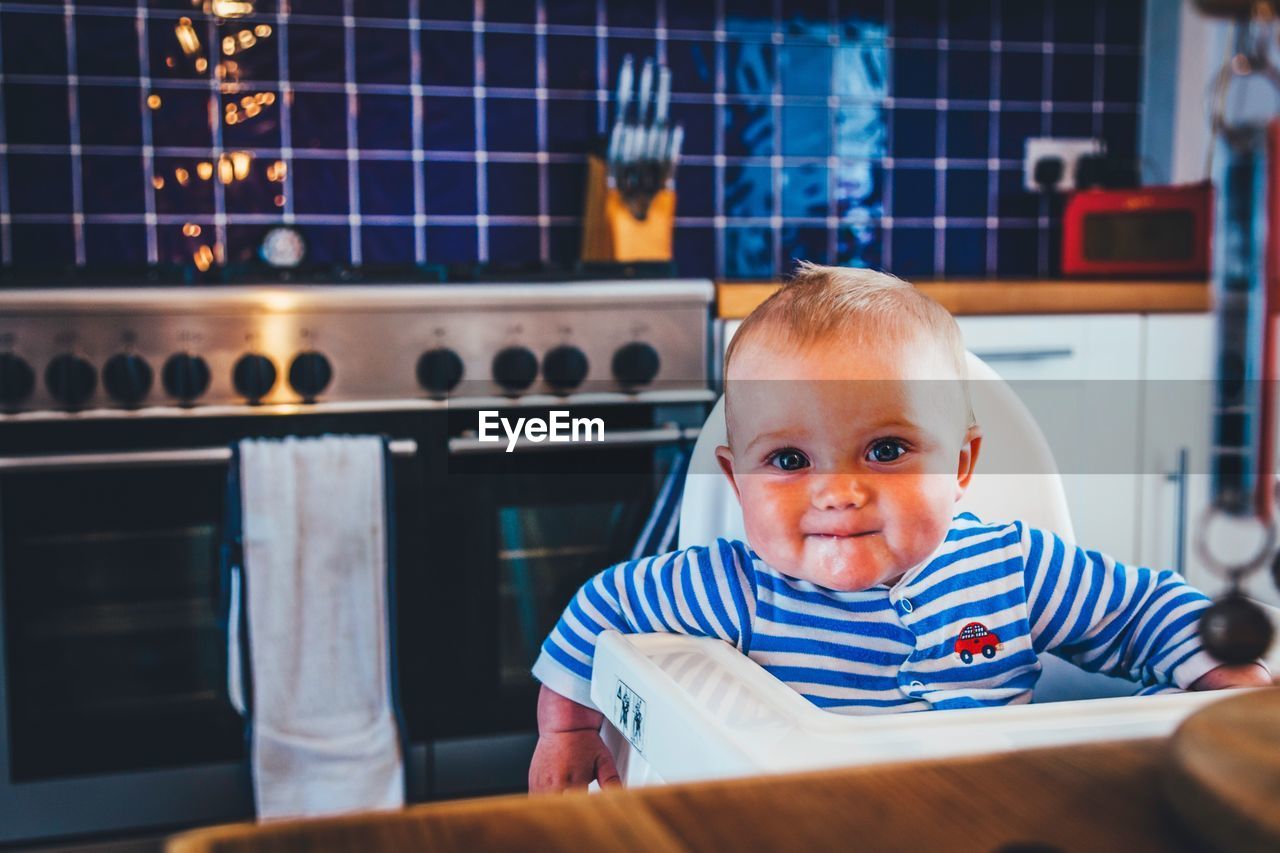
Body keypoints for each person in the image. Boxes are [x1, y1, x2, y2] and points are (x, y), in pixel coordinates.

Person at [527, 263, 1273, 794]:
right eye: (788, 459)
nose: (839, 491)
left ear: (961, 462)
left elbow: (1146, 609)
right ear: (737, 479)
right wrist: (569, 732)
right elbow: (603, 609)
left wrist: (1224, 677)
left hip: (991, 807)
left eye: (886, 450)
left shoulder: (1014, 566)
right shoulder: (729, 585)